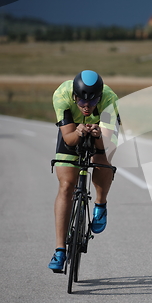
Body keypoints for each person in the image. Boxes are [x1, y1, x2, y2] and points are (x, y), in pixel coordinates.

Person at [48, 70, 119, 273]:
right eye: (81, 102)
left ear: (100, 96)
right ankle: (60, 250)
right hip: (72, 131)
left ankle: (100, 204)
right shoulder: (61, 95)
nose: (86, 107)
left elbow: (105, 145)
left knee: (102, 161)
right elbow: (69, 139)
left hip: (101, 134)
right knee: (66, 186)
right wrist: (78, 131)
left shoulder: (110, 99)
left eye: (92, 102)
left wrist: (97, 134)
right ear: (74, 96)